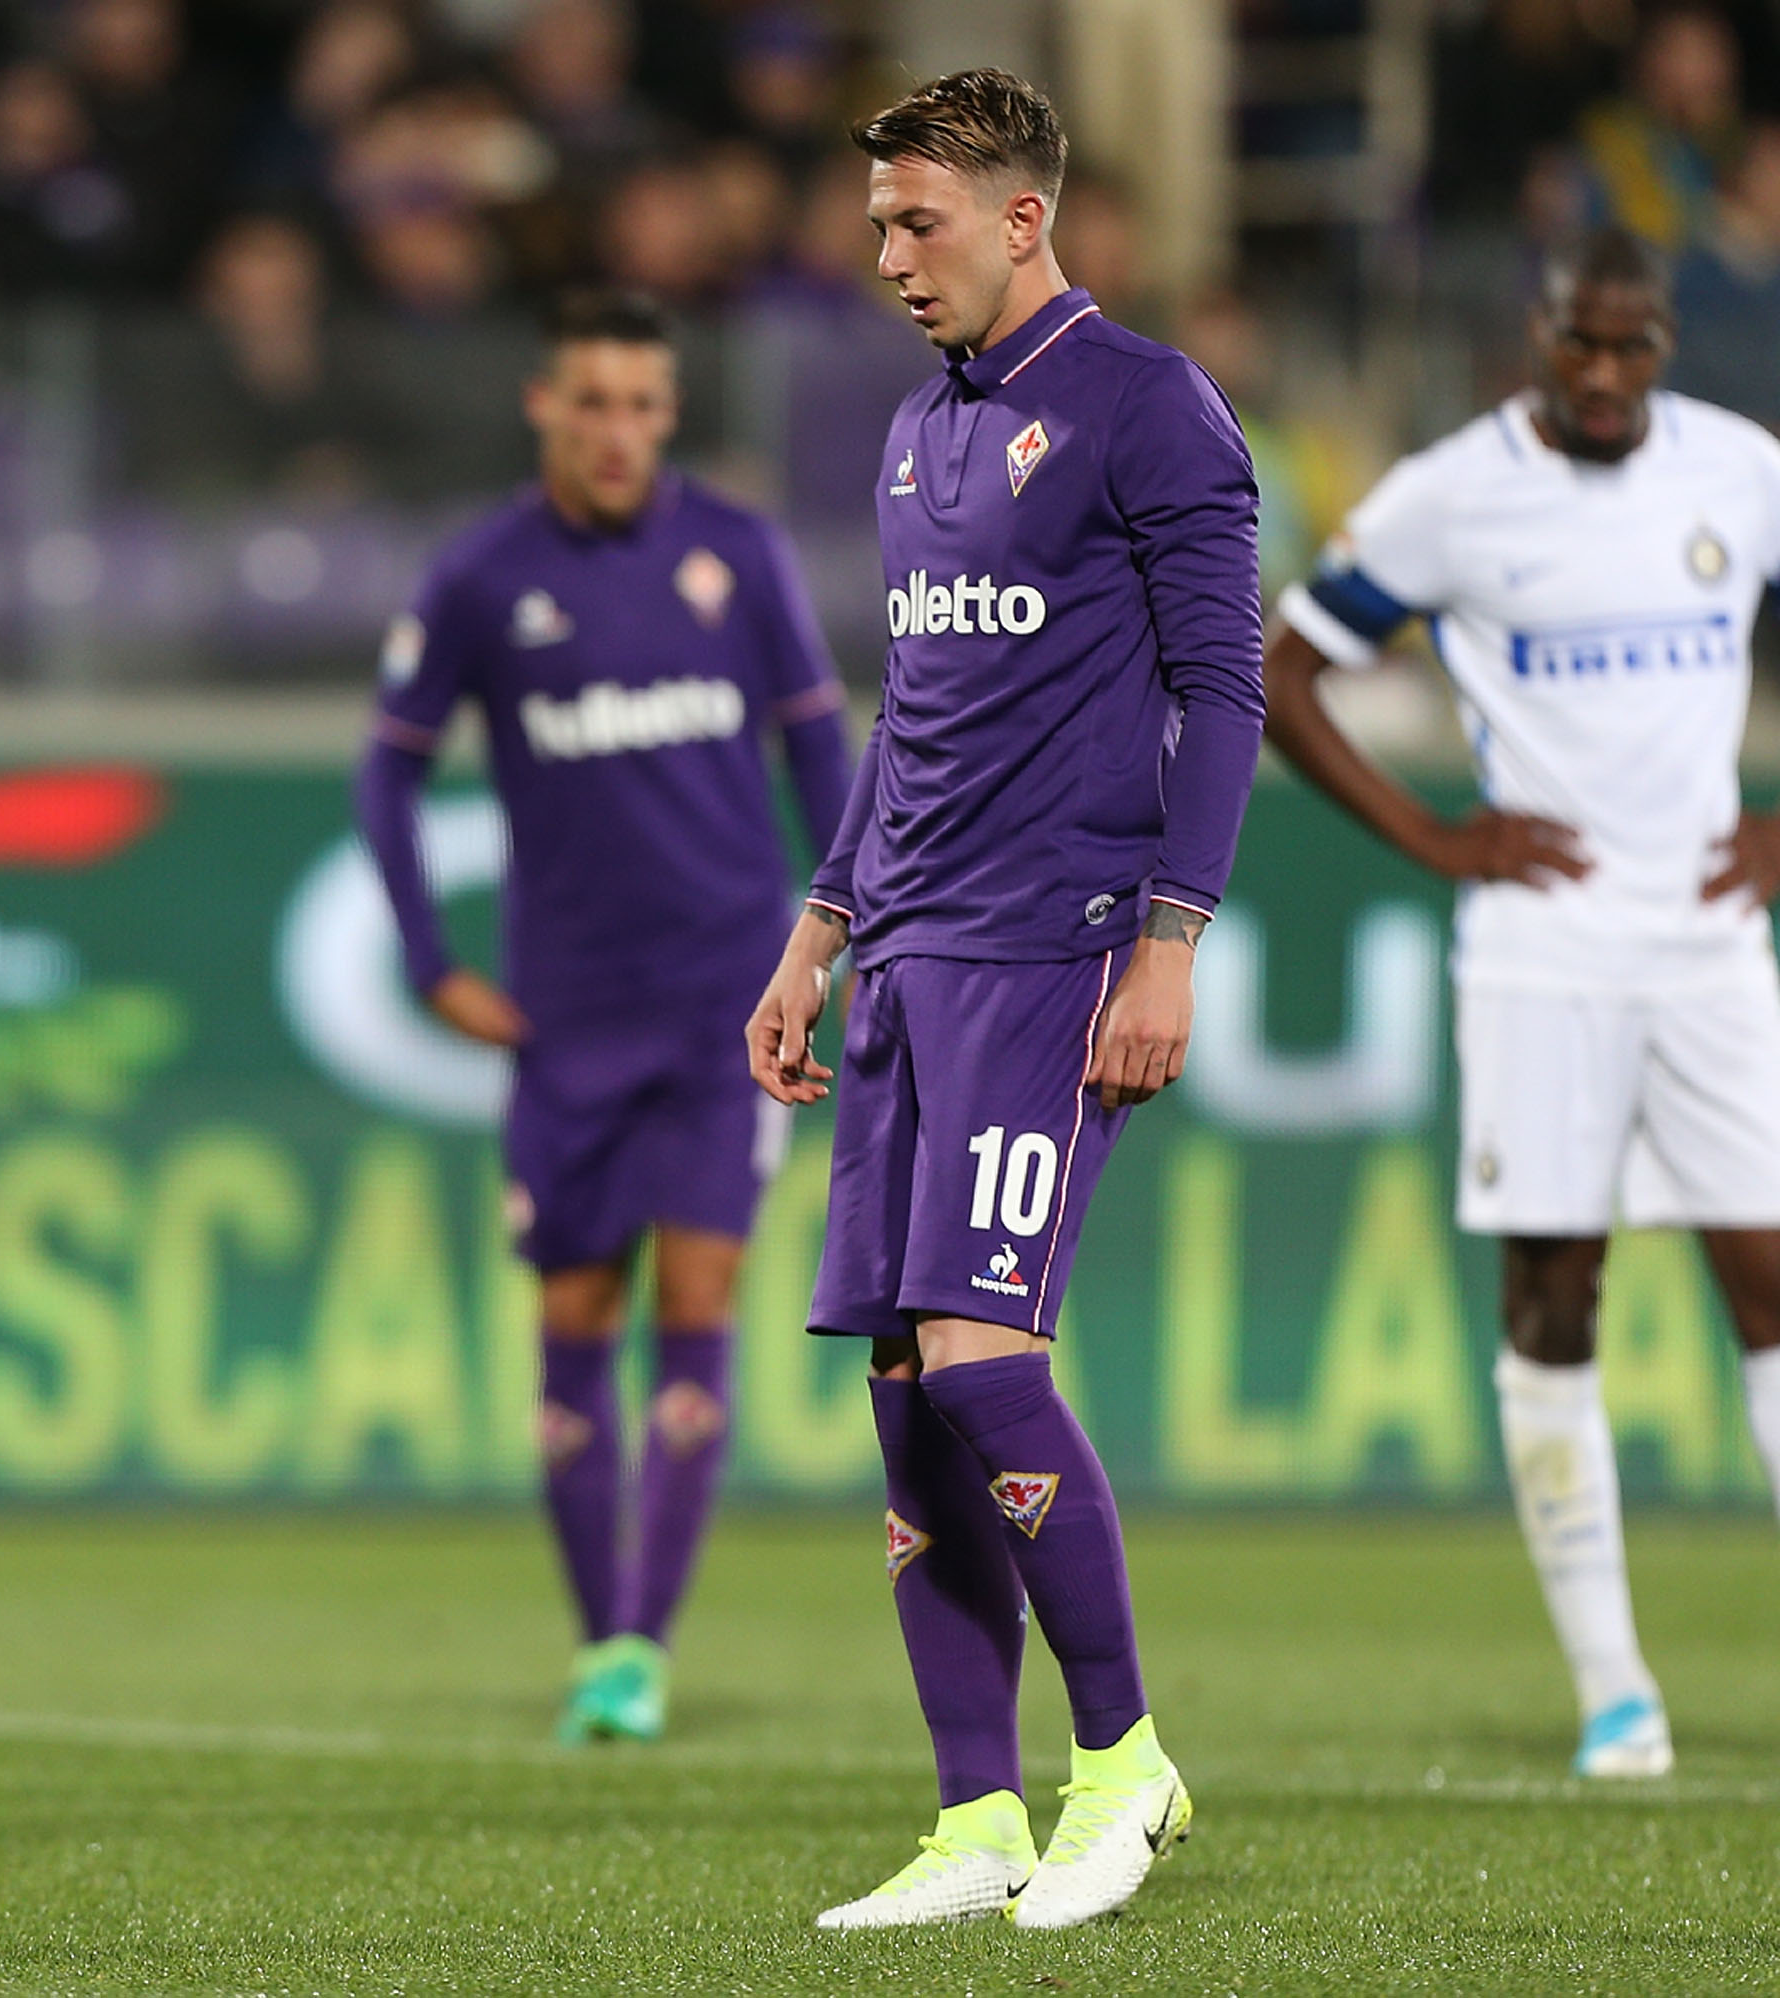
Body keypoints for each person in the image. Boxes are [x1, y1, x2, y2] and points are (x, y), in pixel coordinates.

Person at [746, 70, 1259, 1929]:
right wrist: (819, 930)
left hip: (1059, 953)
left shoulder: (1147, 408)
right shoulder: (915, 435)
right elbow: (918, 720)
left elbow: (1226, 690)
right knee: (901, 1391)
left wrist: (1171, 938)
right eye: (879, 222)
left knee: (981, 1364)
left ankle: (1123, 1764)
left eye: (918, 222)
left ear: (1023, 217)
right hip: (906, 959)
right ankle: (975, 1818)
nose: (888, 257)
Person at [1261, 226, 1780, 1782]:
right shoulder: (1450, 495)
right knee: (1557, 1298)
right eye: (1582, 346)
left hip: (1703, 940)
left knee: (1769, 1279)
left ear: (1665, 341)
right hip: (1541, 950)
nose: (1609, 375)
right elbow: (1285, 668)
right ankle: (1615, 1687)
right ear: (1537, 338)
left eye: (1635, 346)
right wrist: (1434, 835)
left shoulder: (1742, 467)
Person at [358, 287, 852, 1745]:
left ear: (670, 413)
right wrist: (425, 956)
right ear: (544, 406)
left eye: (644, 403)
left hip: (723, 1005)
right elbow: (386, 771)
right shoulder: (479, 578)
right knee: (575, 1310)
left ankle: (640, 1642)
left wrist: (842, 932)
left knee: (698, 1300)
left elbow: (825, 755)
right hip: (566, 1018)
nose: (620, 430)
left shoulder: (737, 553)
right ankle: (600, 1635)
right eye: (594, 402)